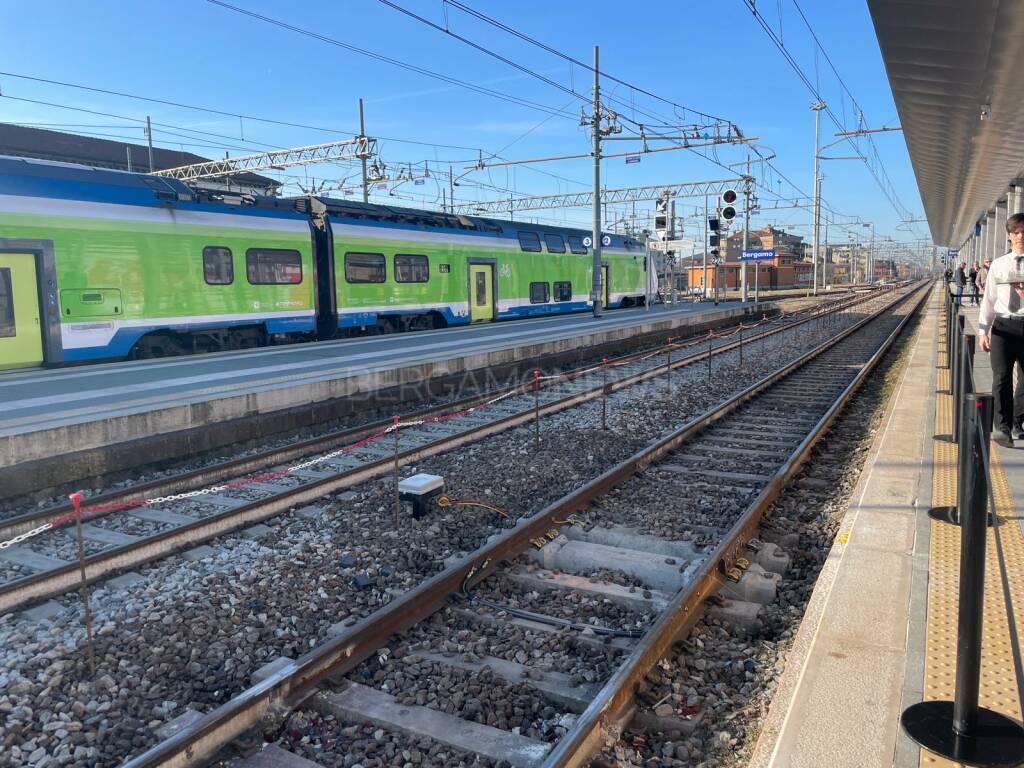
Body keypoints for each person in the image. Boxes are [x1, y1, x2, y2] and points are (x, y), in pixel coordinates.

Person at [978, 213, 1024, 446]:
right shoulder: (998, 265)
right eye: (1016, 232)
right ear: (1009, 236)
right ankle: (1002, 428)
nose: (1020, 237)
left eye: (1023, 232)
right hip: (1003, 326)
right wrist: (982, 331)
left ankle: (1018, 421)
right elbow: (989, 300)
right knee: (1001, 378)